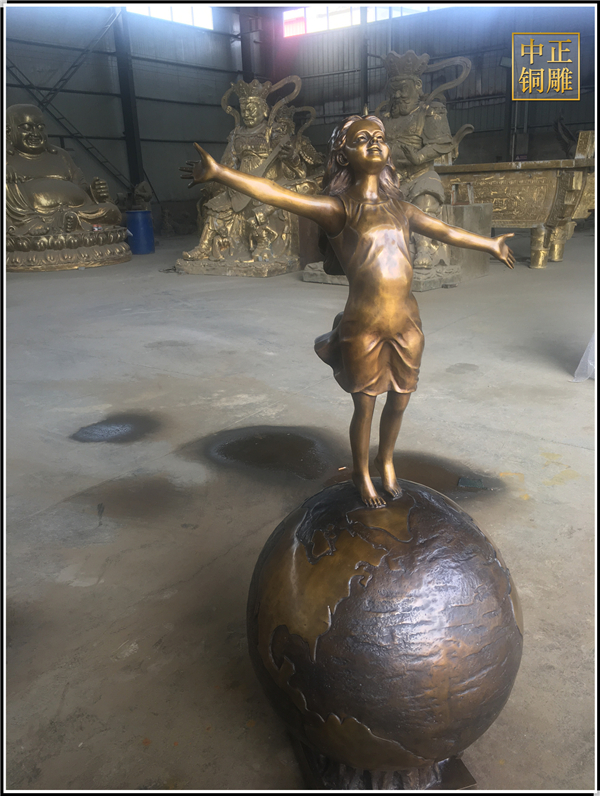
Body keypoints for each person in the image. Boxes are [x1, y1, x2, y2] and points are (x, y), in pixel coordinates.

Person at [180, 115, 515, 508]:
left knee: (401, 399)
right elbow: (275, 194)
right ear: (343, 155)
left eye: (379, 138)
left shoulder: (402, 209)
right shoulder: (338, 209)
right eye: (362, 139)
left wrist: (490, 245)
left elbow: (445, 231)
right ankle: (361, 472)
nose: (374, 143)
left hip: (407, 322)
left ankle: (385, 460)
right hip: (364, 325)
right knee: (366, 406)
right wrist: (220, 173)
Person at [6, 104, 121, 236]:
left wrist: (95, 193)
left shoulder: (61, 155)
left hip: (76, 211)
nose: (36, 134)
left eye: (40, 128)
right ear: (8, 132)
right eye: (27, 128)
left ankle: (69, 222)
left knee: (112, 211)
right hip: (32, 217)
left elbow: (81, 185)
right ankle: (30, 223)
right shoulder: (6, 157)